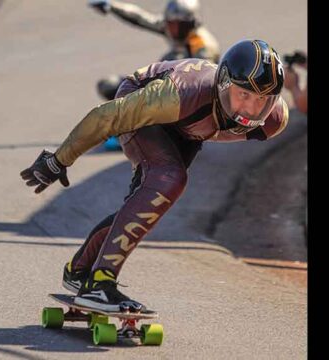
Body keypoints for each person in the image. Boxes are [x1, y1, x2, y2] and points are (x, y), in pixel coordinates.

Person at [20, 39, 288, 312]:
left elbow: (225, 118)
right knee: (168, 180)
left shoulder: (274, 120)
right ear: (222, 85)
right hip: (147, 101)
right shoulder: (177, 95)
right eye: (243, 95)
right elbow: (106, 118)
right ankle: (100, 284)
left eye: (262, 101)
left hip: (187, 127)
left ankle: (79, 271)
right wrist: (58, 160)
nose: (250, 111)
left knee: (148, 202)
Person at [89, 0, 221, 101]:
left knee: (173, 58)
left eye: (178, 24)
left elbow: (202, 84)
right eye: (170, 23)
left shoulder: (203, 46)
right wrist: (112, 6)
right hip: (164, 86)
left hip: (183, 96)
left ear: (191, 23)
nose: (172, 29)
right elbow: (140, 18)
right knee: (109, 86)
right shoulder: (169, 28)